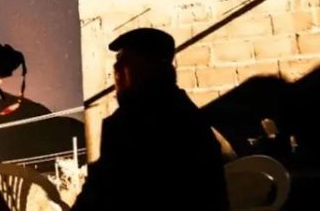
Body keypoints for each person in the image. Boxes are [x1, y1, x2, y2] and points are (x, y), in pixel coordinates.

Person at [72, 27, 229, 211]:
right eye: (117, 61)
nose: (116, 70)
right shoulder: (183, 115)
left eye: (125, 61)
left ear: (151, 67)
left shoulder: (158, 124)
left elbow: (105, 190)